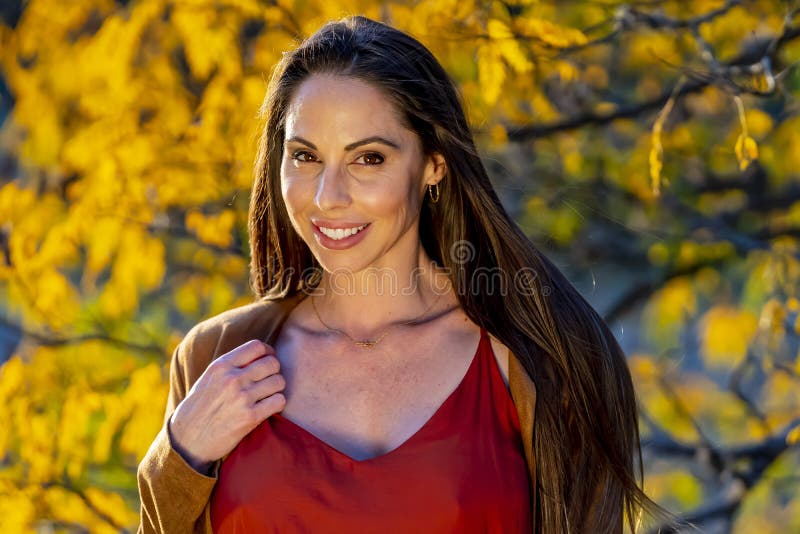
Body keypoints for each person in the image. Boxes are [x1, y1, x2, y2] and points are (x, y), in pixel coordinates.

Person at [137, 15, 665, 534]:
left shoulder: (540, 358)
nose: (328, 197)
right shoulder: (216, 357)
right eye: (305, 156)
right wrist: (177, 461)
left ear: (434, 165)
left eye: (368, 158)